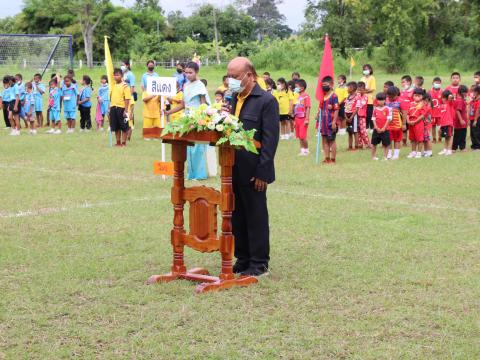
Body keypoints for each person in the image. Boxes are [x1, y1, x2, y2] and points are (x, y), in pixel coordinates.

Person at [227, 57, 279, 277]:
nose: (231, 81)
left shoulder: (266, 101)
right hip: (232, 167)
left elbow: (270, 140)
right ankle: (243, 258)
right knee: (237, 215)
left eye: (235, 77)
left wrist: (262, 172)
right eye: (229, 76)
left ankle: (259, 263)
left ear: (250, 75)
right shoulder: (234, 98)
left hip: (254, 170)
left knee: (256, 216)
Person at [167, 61, 211, 180]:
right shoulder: (185, 85)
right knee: (188, 146)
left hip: (198, 117)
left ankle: (199, 174)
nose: (188, 75)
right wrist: (168, 112)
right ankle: (190, 174)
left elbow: (203, 104)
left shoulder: (200, 85)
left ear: (196, 72)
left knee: (197, 146)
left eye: (190, 72)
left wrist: (200, 119)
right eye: (186, 72)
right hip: (186, 117)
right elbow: (183, 104)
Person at [317, 76, 339, 163]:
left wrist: (334, 122)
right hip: (324, 122)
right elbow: (321, 108)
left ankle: (333, 159)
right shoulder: (323, 96)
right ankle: (327, 158)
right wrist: (318, 115)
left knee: (332, 141)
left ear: (331, 85)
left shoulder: (334, 96)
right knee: (325, 140)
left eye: (326, 84)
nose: (324, 86)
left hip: (331, 122)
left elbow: (336, 109)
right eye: (323, 85)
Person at [110, 68, 131, 147]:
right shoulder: (113, 85)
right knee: (116, 126)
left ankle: (124, 142)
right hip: (113, 107)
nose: (116, 77)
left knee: (124, 126)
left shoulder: (125, 86)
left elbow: (127, 98)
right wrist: (110, 107)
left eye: (117, 75)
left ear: (121, 76)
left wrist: (125, 110)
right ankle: (118, 142)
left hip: (121, 108)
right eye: (114, 75)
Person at [385, 86, 406, 160]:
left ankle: (396, 154)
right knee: (389, 139)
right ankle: (389, 154)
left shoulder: (400, 101)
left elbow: (404, 113)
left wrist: (404, 124)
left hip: (397, 125)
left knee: (397, 140)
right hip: (388, 125)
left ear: (396, 94)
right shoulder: (386, 100)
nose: (390, 98)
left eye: (392, 97)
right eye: (389, 96)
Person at [406, 88, 427, 158]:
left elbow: (422, 115)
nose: (417, 97)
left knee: (419, 139)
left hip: (418, 123)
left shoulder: (423, 104)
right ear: (413, 96)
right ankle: (413, 152)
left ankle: (419, 152)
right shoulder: (410, 104)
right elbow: (408, 114)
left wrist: (415, 121)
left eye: (419, 96)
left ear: (422, 96)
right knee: (412, 138)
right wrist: (408, 121)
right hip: (411, 124)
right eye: (415, 95)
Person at [370, 92, 391, 160]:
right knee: (374, 143)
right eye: (379, 100)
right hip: (376, 130)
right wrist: (376, 127)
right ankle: (373, 156)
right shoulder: (375, 109)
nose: (380, 101)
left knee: (386, 144)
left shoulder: (387, 109)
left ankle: (385, 156)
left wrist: (384, 128)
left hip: (385, 129)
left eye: (382, 100)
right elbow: (373, 119)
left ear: (385, 100)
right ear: (377, 100)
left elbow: (388, 119)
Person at [293, 79, 311, 156]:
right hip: (297, 119)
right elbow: (296, 109)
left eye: (297, 87)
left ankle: (306, 150)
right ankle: (302, 150)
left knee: (303, 136)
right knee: (299, 136)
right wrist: (294, 120)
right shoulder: (298, 97)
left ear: (302, 88)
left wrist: (306, 119)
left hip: (303, 119)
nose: (295, 88)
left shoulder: (306, 96)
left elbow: (308, 108)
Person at [121, 60, 136, 140]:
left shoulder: (131, 75)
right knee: (123, 116)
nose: (122, 66)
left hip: (129, 97)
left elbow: (132, 87)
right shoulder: (122, 74)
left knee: (129, 116)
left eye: (123, 65)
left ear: (127, 65)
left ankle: (128, 137)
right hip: (122, 98)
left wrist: (129, 96)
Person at [438, 90, 455, 156]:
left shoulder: (449, 104)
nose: (442, 99)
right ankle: (445, 149)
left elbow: (451, 98)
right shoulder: (442, 105)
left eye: (444, 97)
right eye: (442, 97)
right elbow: (441, 116)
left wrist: (449, 96)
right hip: (443, 124)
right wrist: (440, 126)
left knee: (450, 136)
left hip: (448, 123)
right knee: (446, 137)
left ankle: (449, 150)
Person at [452, 85, 469, 152]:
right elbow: (458, 110)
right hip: (461, 122)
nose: (466, 94)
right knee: (462, 135)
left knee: (456, 135)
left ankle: (454, 148)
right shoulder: (460, 101)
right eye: (465, 92)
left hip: (457, 122)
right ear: (462, 92)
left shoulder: (457, 100)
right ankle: (462, 148)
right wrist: (461, 120)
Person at [344, 81, 359, 151]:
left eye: (348, 88)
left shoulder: (357, 97)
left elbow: (357, 108)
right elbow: (345, 107)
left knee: (355, 131)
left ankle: (356, 146)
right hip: (347, 116)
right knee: (349, 131)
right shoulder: (347, 97)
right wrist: (346, 117)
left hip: (354, 116)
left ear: (352, 88)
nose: (347, 89)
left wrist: (352, 117)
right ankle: (350, 146)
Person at [360, 64, 376, 130]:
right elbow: (360, 88)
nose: (365, 71)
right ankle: (366, 127)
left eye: (367, 69)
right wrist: (363, 91)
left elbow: (372, 89)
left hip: (369, 99)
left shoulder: (372, 78)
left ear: (370, 70)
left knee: (370, 114)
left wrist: (364, 91)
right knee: (364, 113)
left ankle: (372, 127)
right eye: (364, 69)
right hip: (363, 99)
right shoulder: (362, 78)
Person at [356, 81, 370, 149]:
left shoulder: (365, 97)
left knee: (363, 131)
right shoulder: (357, 96)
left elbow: (361, 104)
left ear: (364, 90)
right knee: (358, 131)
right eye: (358, 89)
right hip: (356, 116)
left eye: (361, 90)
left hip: (362, 116)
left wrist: (357, 96)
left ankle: (368, 143)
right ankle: (360, 144)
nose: (359, 91)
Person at [429, 77, 443, 143]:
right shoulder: (429, 92)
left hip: (440, 113)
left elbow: (444, 102)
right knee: (433, 126)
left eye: (438, 83)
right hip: (432, 113)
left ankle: (440, 138)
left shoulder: (443, 92)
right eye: (436, 83)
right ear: (432, 83)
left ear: (441, 83)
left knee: (440, 127)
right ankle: (434, 139)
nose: (437, 84)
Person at [470, 85, 480, 150]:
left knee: (476, 132)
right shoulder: (474, 99)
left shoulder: (479, 100)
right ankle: (474, 145)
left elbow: (478, 110)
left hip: (477, 118)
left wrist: (475, 120)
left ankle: (478, 146)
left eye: (474, 91)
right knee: (472, 132)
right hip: (472, 118)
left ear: (477, 92)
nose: (472, 93)